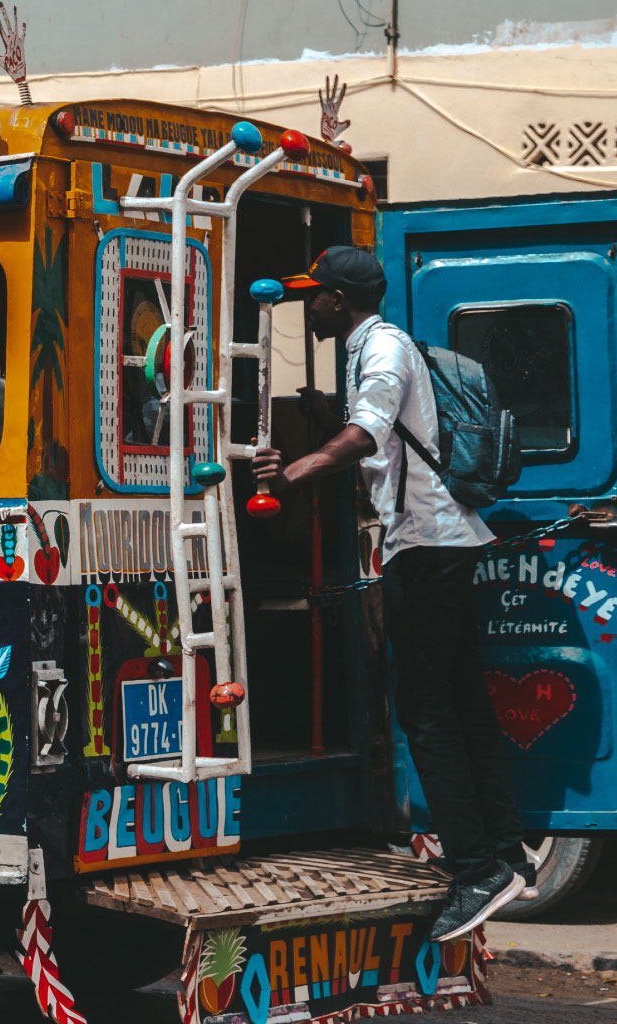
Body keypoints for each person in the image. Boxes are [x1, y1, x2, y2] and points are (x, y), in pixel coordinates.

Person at [250, 246, 522, 942]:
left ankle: (475, 870)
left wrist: (291, 476)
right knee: (463, 704)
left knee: (424, 714)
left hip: (426, 546)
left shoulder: (381, 349)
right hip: (440, 543)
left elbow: (367, 434)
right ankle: (505, 854)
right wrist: (320, 413)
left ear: (338, 300)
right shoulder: (374, 348)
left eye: (314, 294)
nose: (307, 305)